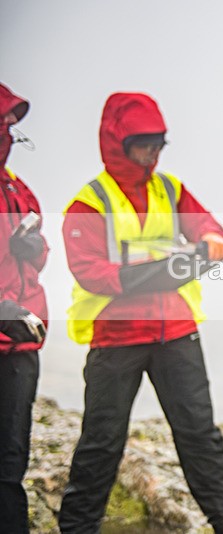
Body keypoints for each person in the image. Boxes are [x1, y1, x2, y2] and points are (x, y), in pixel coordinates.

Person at [59, 92, 223, 534]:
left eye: (159, 144)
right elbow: (90, 271)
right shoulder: (89, 203)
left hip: (176, 332)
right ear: (117, 143)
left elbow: (211, 231)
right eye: (143, 144)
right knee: (101, 443)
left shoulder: (171, 189)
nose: (152, 154)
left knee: (199, 435)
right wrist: (159, 272)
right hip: (115, 338)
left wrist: (212, 243)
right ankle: (77, 528)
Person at [0, 82, 48, 534]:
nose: (10, 134)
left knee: (10, 465)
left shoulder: (20, 190)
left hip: (20, 348)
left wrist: (33, 244)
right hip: (9, 325)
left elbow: (40, 255)